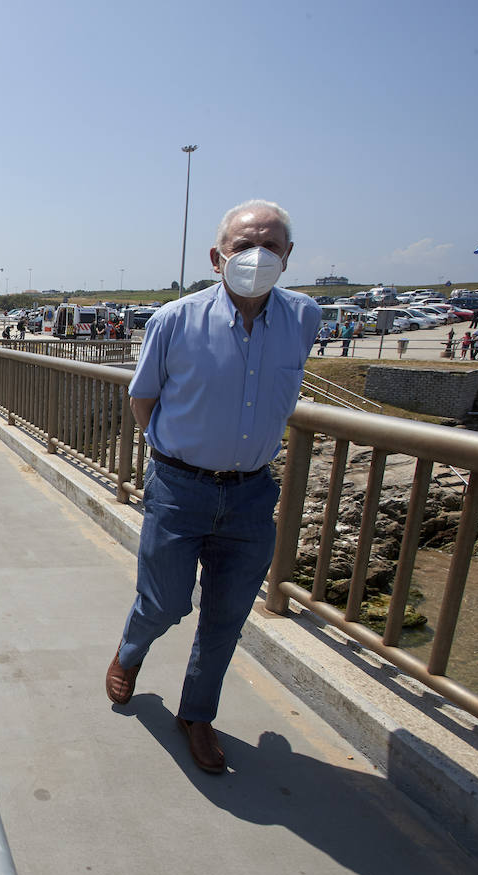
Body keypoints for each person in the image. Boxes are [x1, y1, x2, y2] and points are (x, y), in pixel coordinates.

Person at [105, 200, 320, 774]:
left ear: (288, 256)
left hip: (252, 493)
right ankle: (131, 651)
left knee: (226, 615)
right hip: (180, 488)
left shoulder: (304, 317)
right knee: (166, 600)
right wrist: (177, 456)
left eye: (270, 246)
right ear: (216, 257)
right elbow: (142, 398)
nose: (257, 256)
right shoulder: (173, 320)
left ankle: (197, 714)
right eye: (243, 245)